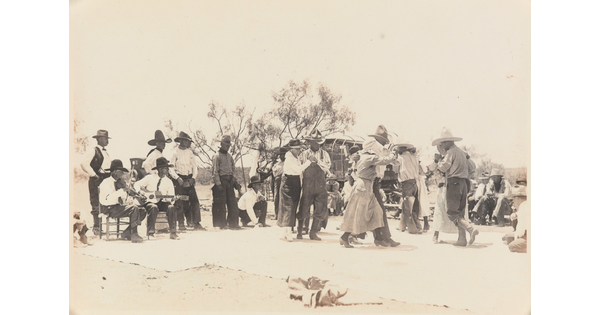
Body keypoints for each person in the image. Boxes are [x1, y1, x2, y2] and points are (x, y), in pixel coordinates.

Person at [339, 148, 398, 248]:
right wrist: (393, 153)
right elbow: (385, 160)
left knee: (377, 212)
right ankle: (344, 237)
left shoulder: (363, 157)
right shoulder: (368, 158)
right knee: (358, 214)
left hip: (366, 186)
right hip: (364, 187)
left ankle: (378, 238)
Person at [432, 127, 479, 246]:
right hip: (464, 183)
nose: (442, 145)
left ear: (448, 142)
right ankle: (461, 239)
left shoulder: (450, 152)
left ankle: (470, 228)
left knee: (452, 212)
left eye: (442, 143)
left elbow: (443, 167)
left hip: (453, 183)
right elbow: (472, 168)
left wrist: (438, 161)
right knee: (460, 212)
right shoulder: (462, 153)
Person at [361, 125, 401, 247]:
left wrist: (392, 154)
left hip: (376, 182)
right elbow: (384, 155)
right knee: (375, 211)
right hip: (369, 182)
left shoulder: (383, 150)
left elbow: (395, 161)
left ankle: (379, 237)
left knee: (374, 211)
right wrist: (391, 152)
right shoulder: (372, 144)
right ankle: (384, 237)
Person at [98, 160, 147, 243]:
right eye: (121, 172)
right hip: (109, 208)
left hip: (118, 208)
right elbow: (106, 200)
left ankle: (127, 232)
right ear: (114, 172)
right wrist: (121, 191)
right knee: (134, 208)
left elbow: (124, 199)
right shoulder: (106, 182)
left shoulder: (120, 182)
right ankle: (134, 234)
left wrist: (137, 196)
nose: (122, 174)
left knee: (142, 210)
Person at [277, 139, 314, 241]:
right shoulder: (289, 158)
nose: (299, 151)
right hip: (288, 182)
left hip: (296, 182)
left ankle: (285, 231)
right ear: (292, 149)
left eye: (300, 149)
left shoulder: (296, 157)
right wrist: (309, 162)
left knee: (293, 207)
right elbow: (298, 170)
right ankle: (288, 232)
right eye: (297, 149)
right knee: (289, 207)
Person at [134, 157, 180, 240]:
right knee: (153, 207)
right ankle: (151, 233)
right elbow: (136, 184)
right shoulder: (150, 178)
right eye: (166, 168)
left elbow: (170, 197)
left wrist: (173, 199)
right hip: (149, 202)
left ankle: (173, 233)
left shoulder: (169, 181)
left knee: (171, 207)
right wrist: (140, 193)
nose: (167, 170)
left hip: (162, 202)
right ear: (160, 169)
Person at [298, 129, 331, 241]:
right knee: (304, 206)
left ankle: (313, 232)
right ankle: (300, 231)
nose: (315, 144)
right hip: (307, 184)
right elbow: (299, 169)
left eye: (317, 142)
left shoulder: (324, 154)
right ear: (309, 143)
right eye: (313, 142)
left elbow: (327, 167)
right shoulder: (303, 154)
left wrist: (317, 161)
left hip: (320, 185)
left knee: (320, 208)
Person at [80, 129, 112, 235]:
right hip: (97, 179)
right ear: (99, 139)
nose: (107, 141)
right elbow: (84, 163)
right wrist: (94, 175)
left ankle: (103, 227)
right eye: (105, 139)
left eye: (107, 138)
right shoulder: (93, 150)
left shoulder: (105, 152)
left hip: (106, 179)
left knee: (106, 201)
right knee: (96, 202)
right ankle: (96, 227)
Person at [171, 131, 203, 231]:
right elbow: (170, 168)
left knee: (194, 201)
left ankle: (196, 223)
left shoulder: (190, 153)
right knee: (179, 201)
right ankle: (181, 223)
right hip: (179, 179)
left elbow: (195, 167)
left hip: (189, 178)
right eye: (183, 140)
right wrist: (177, 178)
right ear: (179, 141)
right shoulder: (175, 152)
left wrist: (193, 178)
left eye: (187, 141)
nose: (185, 142)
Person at [211, 135, 242, 230]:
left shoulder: (230, 156)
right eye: (225, 144)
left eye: (229, 145)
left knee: (233, 203)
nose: (227, 146)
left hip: (230, 181)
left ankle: (233, 223)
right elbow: (215, 171)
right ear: (221, 144)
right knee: (220, 204)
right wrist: (218, 183)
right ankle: (220, 224)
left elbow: (233, 169)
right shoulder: (216, 156)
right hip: (221, 180)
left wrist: (234, 179)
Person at [395, 140, 423, 234]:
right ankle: (403, 226)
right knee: (413, 206)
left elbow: (395, 169)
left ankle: (412, 229)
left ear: (401, 149)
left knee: (407, 207)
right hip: (415, 182)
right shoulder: (414, 157)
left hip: (406, 183)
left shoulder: (400, 158)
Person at [272, 147, 287, 220]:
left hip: (285, 180)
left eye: (283, 154)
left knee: (284, 197)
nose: (282, 156)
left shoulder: (287, 162)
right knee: (276, 197)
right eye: (281, 155)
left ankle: (283, 215)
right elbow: (274, 172)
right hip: (277, 180)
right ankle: (276, 214)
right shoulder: (276, 163)